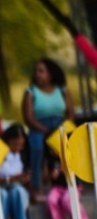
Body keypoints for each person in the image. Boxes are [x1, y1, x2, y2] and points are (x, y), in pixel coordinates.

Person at [22, 57, 74, 193]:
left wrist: (63, 128)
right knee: (37, 148)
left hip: (60, 125)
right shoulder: (31, 92)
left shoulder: (62, 90)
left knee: (67, 147)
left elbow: (70, 113)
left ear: (51, 74)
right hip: (38, 126)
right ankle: (36, 186)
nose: (37, 75)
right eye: (36, 72)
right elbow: (28, 118)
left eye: (41, 71)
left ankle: (71, 181)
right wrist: (46, 130)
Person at [45, 142, 96, 219]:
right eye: (50, 149)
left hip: (72, 185)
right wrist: (52, 175)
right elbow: (45, 179)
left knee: (67, 200)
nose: (52, 151)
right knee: (51, 200)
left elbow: (79, 171)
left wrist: (67, 170)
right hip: (57, 187)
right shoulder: (50, 161)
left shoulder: (70, 155)